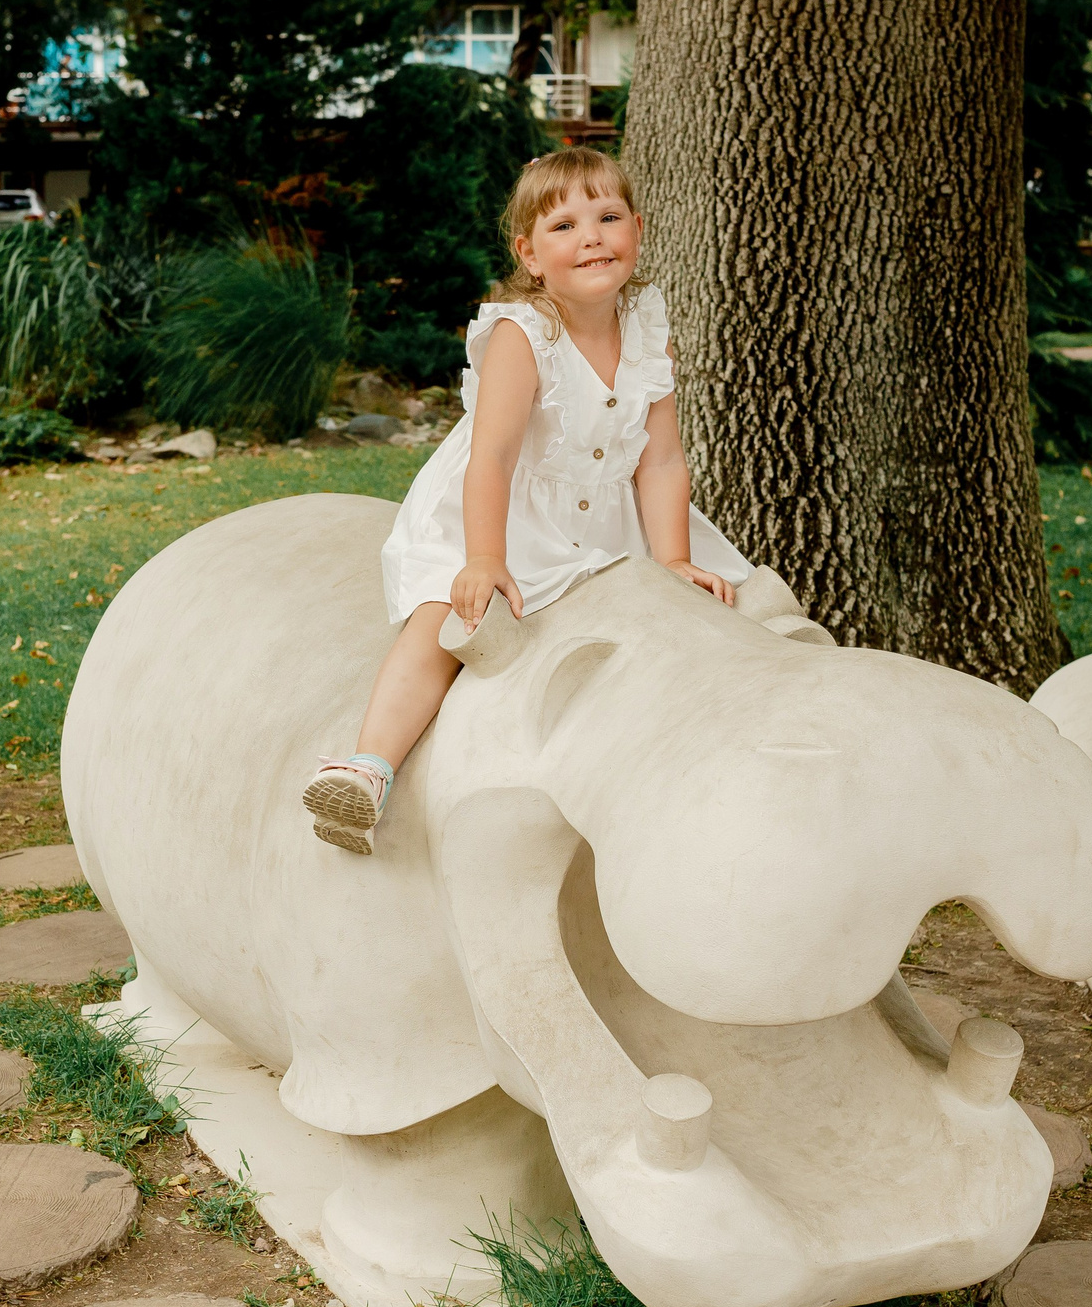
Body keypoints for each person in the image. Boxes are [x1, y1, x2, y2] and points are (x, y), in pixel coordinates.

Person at [300, 147, 755, 854]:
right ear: (530, 254)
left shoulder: (646, 327)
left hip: (605, 515)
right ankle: (368, 766)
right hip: (503, 509)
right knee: (447, 620)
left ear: (637, 227)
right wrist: (483, 556)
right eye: (565, 226)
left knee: (712, 612)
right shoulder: (523, 333)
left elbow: (661, 460)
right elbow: (495, 456)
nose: (593, 237)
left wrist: (671, 558)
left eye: (607, 217)